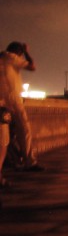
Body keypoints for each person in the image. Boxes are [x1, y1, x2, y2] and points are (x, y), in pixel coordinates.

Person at [0, 41, 43, 171]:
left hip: (1, 100)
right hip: (12, 99)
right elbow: (32, 67)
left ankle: (9, 160)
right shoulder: (11, 57)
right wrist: (27, 52)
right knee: (24, 129)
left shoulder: (1, 57)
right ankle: (29, 161)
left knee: (5, 135)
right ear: (18, 52)